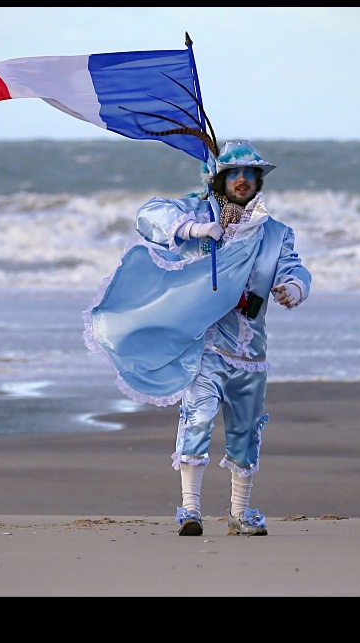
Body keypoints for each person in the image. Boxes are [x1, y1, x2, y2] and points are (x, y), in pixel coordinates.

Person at [84, 139, 312, 537]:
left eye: (250, 174)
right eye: (234, 173)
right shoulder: (198, 211)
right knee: (199, 418)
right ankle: (190, 510)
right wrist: (197, 228)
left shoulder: (275, 232)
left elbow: (293, 268)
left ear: (259, 180)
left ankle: (240, 514)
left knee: (245, 429)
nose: (242, 180)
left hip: (251, 352)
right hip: (205, 346)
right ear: (220, 178)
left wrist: (294, 287)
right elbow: (149, 215)